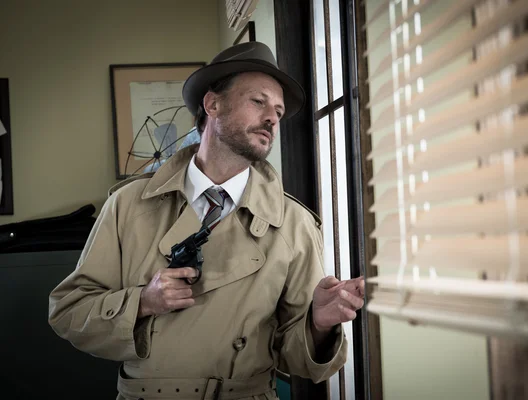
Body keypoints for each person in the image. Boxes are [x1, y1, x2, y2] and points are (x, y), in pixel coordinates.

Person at [48, 41, 365, 400]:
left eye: (278, 111)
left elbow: (296, 360)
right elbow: (69, 312)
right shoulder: (127, 205)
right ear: (212, 104)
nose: (272, 119)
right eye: (258, 102)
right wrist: (144, 301)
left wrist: (318, 326)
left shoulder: (295, 224)